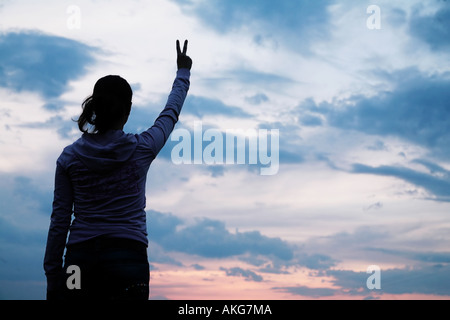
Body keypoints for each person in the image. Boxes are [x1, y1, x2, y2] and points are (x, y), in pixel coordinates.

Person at [43, 40, 192, 300]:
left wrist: (54, 275)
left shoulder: (69, 158)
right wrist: (183, 72)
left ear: (95, 109)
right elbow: (170, 113)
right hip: (128, 259)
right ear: (128, 110)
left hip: (80, 260)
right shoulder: (143, 148)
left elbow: (59, 221)